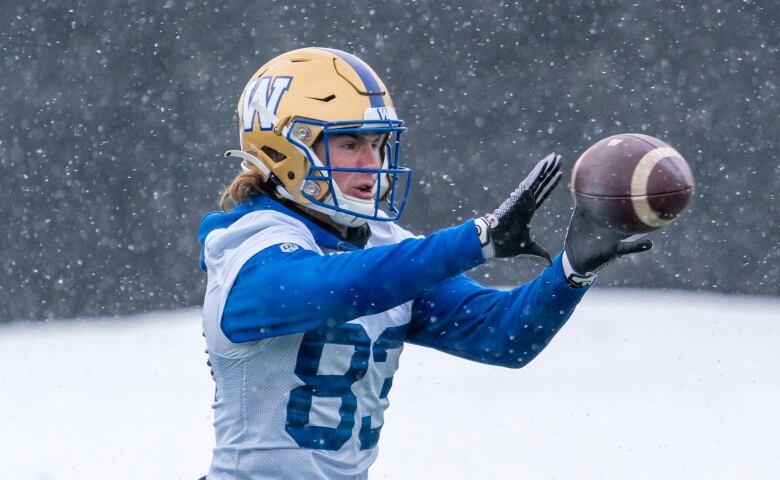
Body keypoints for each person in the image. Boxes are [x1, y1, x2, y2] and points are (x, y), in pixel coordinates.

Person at [197, 47, 652, 480]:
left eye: (378, 144)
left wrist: (571, 270)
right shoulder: (246, 242)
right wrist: (479, 239)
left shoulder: (386, 249)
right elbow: (326, 289)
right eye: (350, 143)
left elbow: (502, 337)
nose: (372, 163)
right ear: (286, 149)